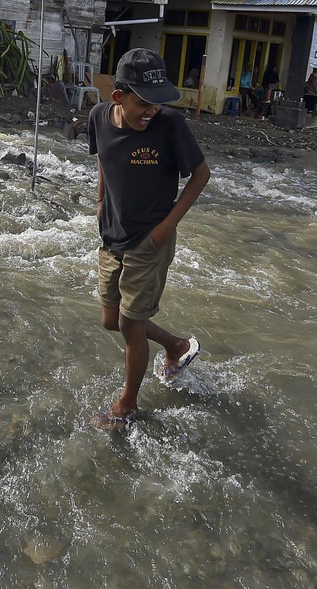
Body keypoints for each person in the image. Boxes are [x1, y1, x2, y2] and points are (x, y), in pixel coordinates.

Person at [88, 48, 211, 429]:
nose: (151, 112)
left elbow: (201, 175)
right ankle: (175, 345)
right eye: (143, 104)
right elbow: (103, 159)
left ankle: (127, 404)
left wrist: (165, 228)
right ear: (118, 98)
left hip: (150, 238)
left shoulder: (169, 125)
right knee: (112, 320)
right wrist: (99, 200)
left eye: (157, 104)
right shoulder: (97, 118)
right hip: (112, 233)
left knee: (130, 325)